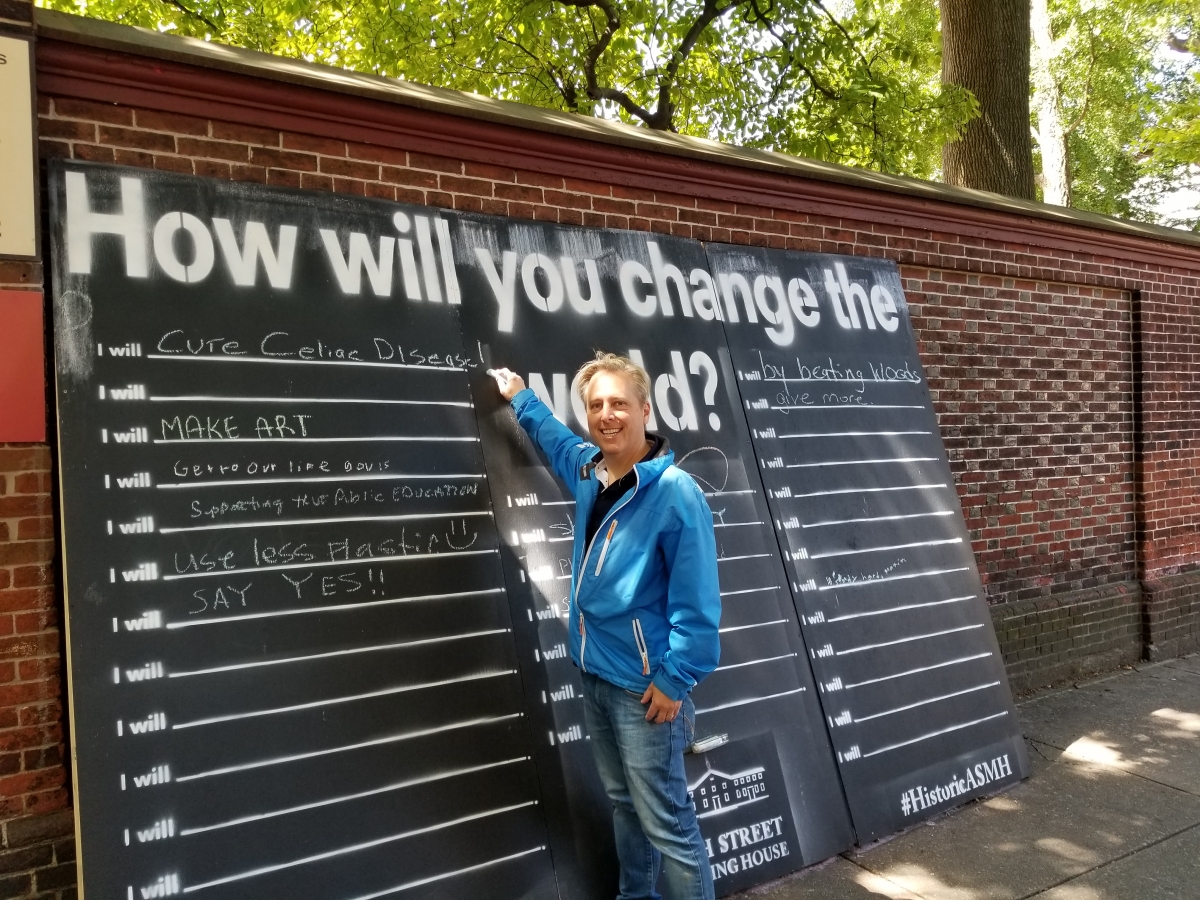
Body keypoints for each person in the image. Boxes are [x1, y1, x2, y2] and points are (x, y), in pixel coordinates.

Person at [490, 352, 721, 900]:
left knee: (669, 826)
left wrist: (673, 680)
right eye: (596, 406)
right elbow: (555, 440)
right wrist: (521, 397)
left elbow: (699, 605)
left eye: (619, 403)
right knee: (624, 805)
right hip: (597, 677)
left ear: (645, 409)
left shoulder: (675, 495)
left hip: (644, 692)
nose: (607, 415)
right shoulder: (593, 471)